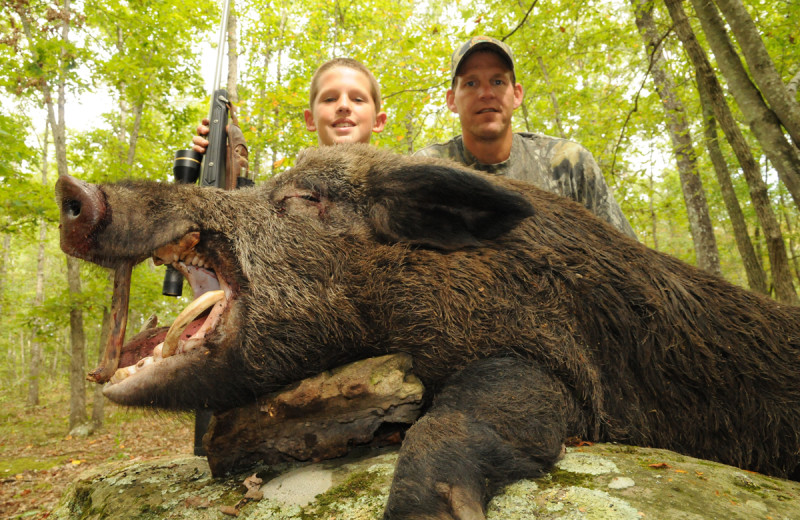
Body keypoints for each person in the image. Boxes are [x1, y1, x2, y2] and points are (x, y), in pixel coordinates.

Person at [416, 36, 636, 238]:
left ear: (517, 95)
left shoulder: (568, 163)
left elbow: (628, 255)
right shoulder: (427, 171)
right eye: (471, 83)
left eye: (498, 82)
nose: (486, 94)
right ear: (452, 100)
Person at [192, 57, 386, 152]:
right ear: (310, 120)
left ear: (378, 122)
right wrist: (222, 166)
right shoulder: (284, 190)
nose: (344, 105)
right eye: (329, 99)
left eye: (358, 99)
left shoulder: (408, 188)